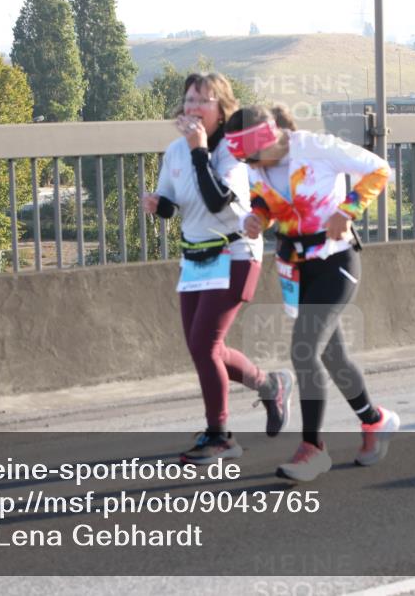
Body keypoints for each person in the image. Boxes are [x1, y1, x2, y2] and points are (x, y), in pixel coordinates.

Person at [227, 104, 400, 482]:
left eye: (252, 158)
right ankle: (375, 421)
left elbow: (379, 169)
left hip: (336, 263)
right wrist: (258, 219)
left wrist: (347, 210)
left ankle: (313, 448)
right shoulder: (257, 167)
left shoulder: (316, 148)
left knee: (303, 349)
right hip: (296, 268)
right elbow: (265, 203)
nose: (250, 166)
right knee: (333, 357)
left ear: (268, 139)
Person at [142, 74, 293, 465]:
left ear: (222, 109)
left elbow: (216, 201)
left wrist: (199, 150)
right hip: (196, 256)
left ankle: (221, 435)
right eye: (189, 100)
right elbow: (173, 206)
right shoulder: (176, 150)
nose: (193, 108)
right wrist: (158, 204)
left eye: (203, 101)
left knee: (205, 346)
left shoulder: (231, 149)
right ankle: (270, 385)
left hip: (235, 253)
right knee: (204, 347)